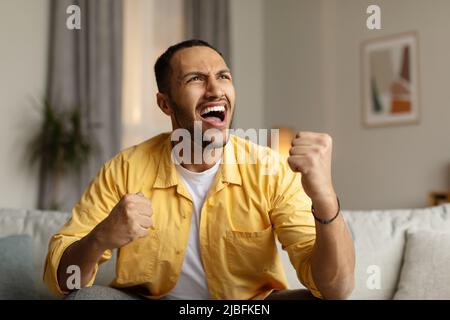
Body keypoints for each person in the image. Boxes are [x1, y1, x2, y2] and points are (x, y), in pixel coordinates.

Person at [43, 39, 355, 300]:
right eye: (195, 78)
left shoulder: (269, 169)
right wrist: (100, 238)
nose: (215, 90)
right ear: (165, 104)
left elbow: (336, 288)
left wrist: (325, 196)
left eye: (224, 76)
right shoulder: (124, 170)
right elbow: (64, 281)